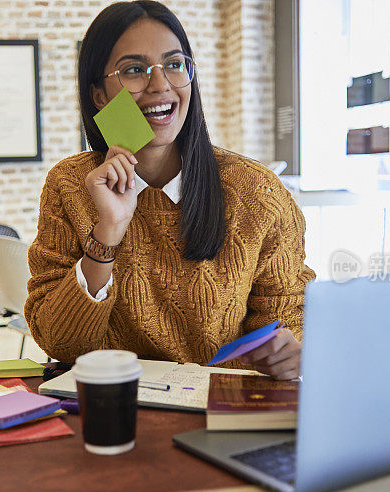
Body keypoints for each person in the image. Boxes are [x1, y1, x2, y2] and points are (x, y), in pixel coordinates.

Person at [25, 0, 315, 380]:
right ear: (99, 95)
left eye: (175, 65)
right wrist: (108, 230)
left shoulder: (257, 192)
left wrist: (294, 353)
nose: (160, 85)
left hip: (223, 415)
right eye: (134, 70)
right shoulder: (70, 186)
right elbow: (60, 344)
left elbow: (291, 324)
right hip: (116, 408)